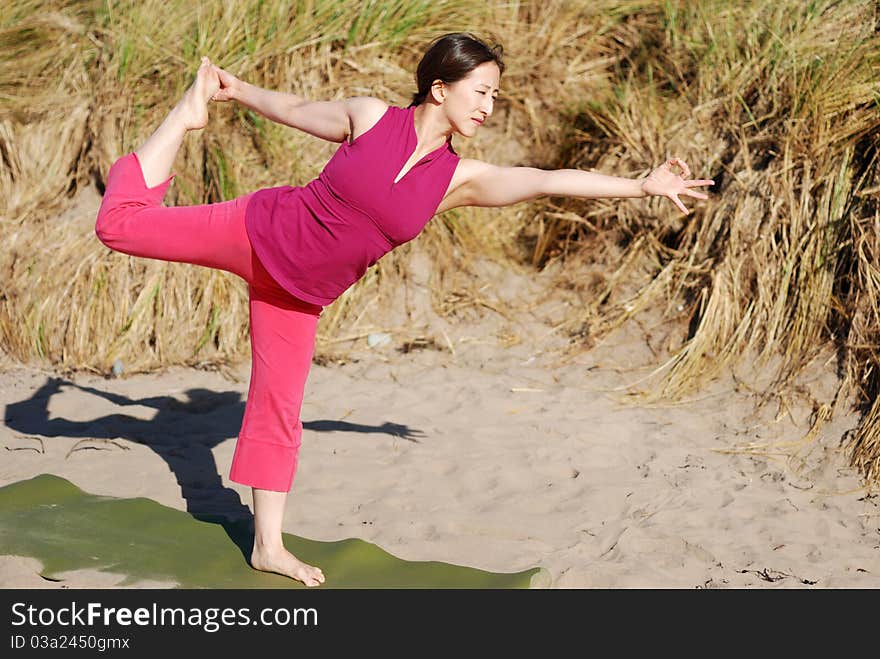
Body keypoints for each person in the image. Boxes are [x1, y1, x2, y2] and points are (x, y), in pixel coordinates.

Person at [94, 32, 713, 587]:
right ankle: (183, 115)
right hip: (256, 230)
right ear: (439, 88)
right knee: (118, 227)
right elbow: (295, 111)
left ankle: (268, 546)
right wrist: (229, 92)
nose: (487, 107)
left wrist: (640, 185)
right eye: (480, 92)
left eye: (495, 97)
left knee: (278, 410)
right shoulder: (370, 119)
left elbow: (546, 177)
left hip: (299, 297)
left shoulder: (456, 180)